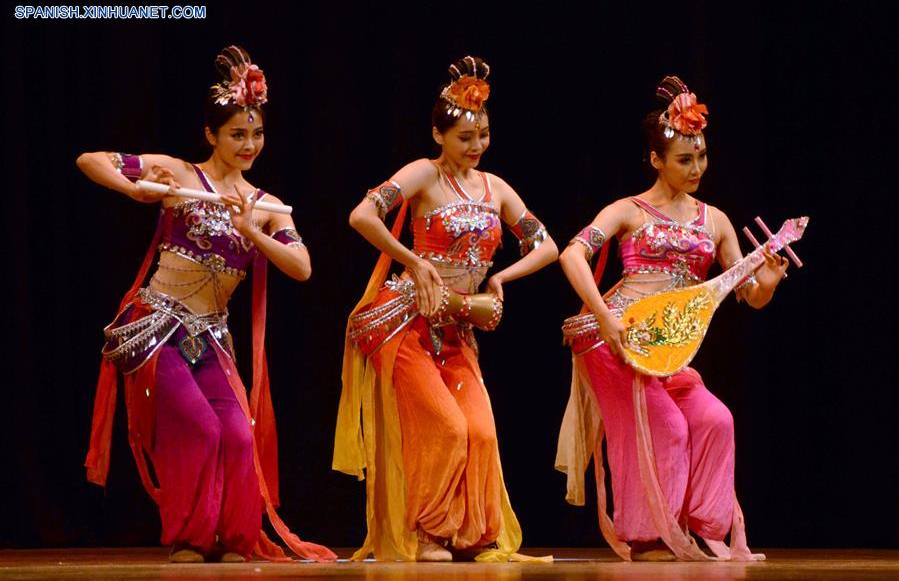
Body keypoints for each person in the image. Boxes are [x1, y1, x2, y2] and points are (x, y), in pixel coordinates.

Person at [78, 45, 335, 563]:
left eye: (256, 133)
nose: (249, 144)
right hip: (157, 327)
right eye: (237, 133)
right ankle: (190, 539)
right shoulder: (179, 174)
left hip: (211, 337)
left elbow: (302, 267)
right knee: (200, 427)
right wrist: (140, 191)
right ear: (211, 135)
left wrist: (252, 232)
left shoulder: (265, 206)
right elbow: (92, 161)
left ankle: (233, 536)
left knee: (239, 437)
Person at [334, 56, 558, 562]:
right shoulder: (423, 173)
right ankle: (427, 532)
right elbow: (361, 215)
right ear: (438, 134)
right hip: (406, 321)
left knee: (479, 429)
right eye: (464, 137)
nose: (476, 146)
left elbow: (546, 245)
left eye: (483, 135)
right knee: (446, 425)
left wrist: (500, 278)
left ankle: (472, 535)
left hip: (457, 325)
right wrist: (413, 262)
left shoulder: (495, 188)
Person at [555, 76, 787, 562]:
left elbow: (746, 295)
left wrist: (767, 280)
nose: (696, 167)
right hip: (612, 338)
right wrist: (606, 317)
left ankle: (691, 524)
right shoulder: (628, 211)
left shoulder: (716, 221)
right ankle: (645, 534)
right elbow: (572, 255)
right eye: (684, 159)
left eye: (701, 157)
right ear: (657, 160)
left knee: (715, 419)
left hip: (665, 346)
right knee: (666, 426)